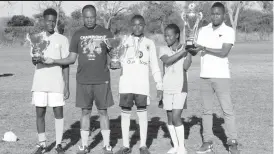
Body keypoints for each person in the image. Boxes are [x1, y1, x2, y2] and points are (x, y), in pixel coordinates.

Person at [43, 5, 115, 154]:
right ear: (83, 17)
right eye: (86, 17)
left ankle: (107, 145)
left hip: (102, 80)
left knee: (103, 112)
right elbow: (71, 58)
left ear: (96, 16)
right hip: (83, 80)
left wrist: (114, 62)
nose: (89, 20)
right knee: (85, 112)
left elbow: (112, 55)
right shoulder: (77, 34)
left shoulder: (106, 33)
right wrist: (54, 60)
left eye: (92, 17)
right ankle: (84, 145)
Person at [187, 2, 240, 154]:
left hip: (221, 76)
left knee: (227, 110)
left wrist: (204, 48)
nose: (215, 16)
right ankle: (207, 142)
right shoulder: (203, 30)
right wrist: (189, 45)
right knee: (206, 111)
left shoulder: (228, 31)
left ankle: (232, 142)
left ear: (223, 15)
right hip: (205, 76)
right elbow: (196, 51)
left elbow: (224, 52)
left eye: (218, 14)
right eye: (213, 14)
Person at [115, 15, 163, 154]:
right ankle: (125, 146)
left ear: (144, 25)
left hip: (142, 85)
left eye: (140, 24)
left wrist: (159, 85)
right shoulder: (124, 41)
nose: (137, 27)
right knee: (125, 114)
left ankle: (143, 146)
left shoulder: (149, 43)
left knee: (142, 114)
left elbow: (154, 66)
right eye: (134, 25)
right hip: (126, 84)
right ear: (131, 25)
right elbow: (118, 60)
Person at [30, 8, 70, 154]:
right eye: (48, 20)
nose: (51, 23)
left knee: (58, 112)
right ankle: (42, 144)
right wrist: (36, 58)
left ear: (56, 21)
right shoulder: (36, 38)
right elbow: (34, 61)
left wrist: (67, 85)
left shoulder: (63, 39)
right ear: (43, 21)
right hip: (40, 82)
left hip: (56, 83)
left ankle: (59, 144)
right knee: (40, 113)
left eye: (53, 21)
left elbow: (66, 63)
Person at [159, 24, 192, 154]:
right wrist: (183, 52)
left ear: (177, 35)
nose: (166, 38)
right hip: (167, 87)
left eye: (169, 35)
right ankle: (175, 146)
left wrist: (188, 53)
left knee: (176, 116)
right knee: (169, 116)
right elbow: (167, 61)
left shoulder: (185, 49)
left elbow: (185, 67)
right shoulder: (162, 49)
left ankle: (182, 147)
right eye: (165, 35)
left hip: (180, 86)